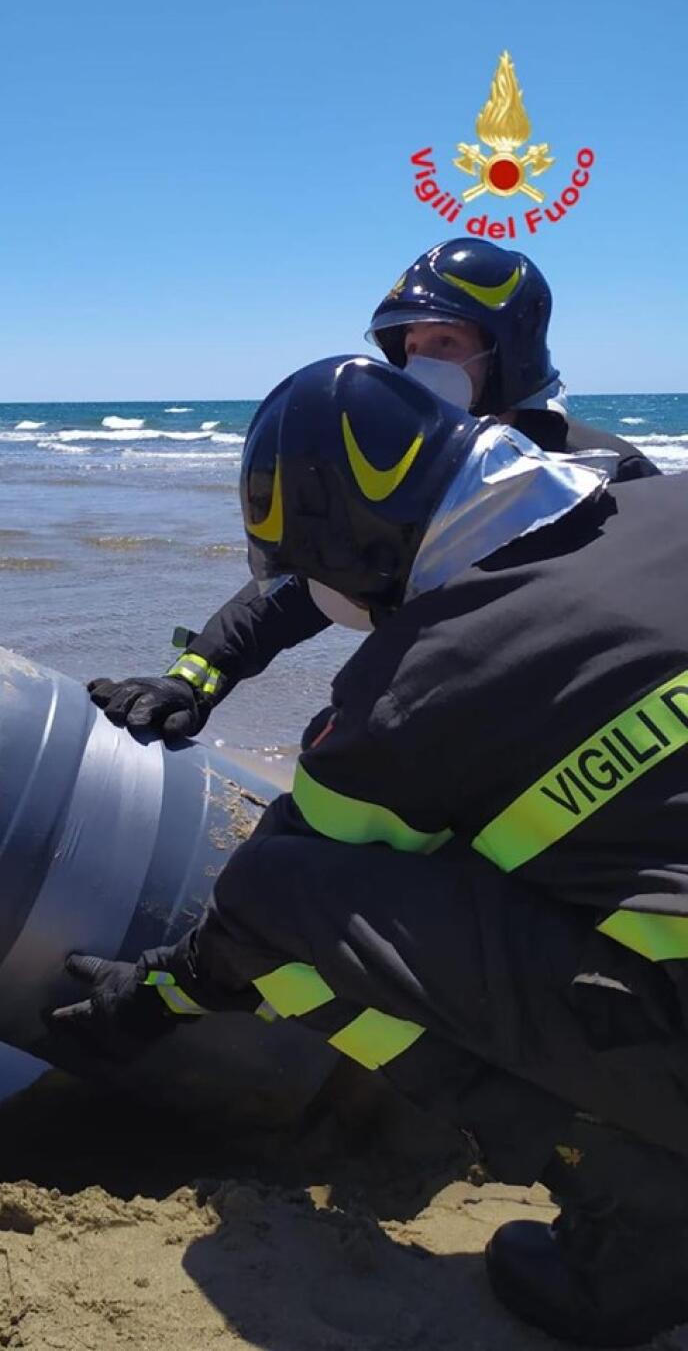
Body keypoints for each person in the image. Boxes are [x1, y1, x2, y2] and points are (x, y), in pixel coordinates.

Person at [52, 355, 688, 1347]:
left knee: (290, 897)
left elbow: (257, 912)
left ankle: (640, 1206)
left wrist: (152, 996)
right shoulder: (665, 506)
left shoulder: (418, 687)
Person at [88, 239, 658, 742]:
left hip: (572, 748)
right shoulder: (408, 464)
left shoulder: (603, 474)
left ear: (511, 348)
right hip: (432, 728)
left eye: (444, 343)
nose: (420, 365)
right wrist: (195, 677)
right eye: (409, 348)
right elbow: (310, 583)